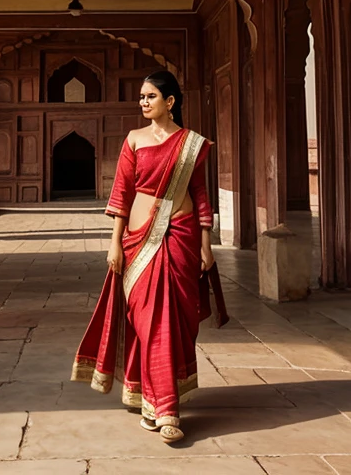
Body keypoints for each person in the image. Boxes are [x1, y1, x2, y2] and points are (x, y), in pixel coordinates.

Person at [71, 69, 227, 444]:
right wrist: (114, 242)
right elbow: (122, 193)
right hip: (139, 243)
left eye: (150, 96)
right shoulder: (134, 140)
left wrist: (206, 245)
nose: (142, 102)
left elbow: (201, 195)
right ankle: (165, 406)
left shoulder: (192, 144)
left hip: (182, 238)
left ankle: (160, 403)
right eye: (141, 97)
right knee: (148, 320)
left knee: (173, 321)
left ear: (169, 102)